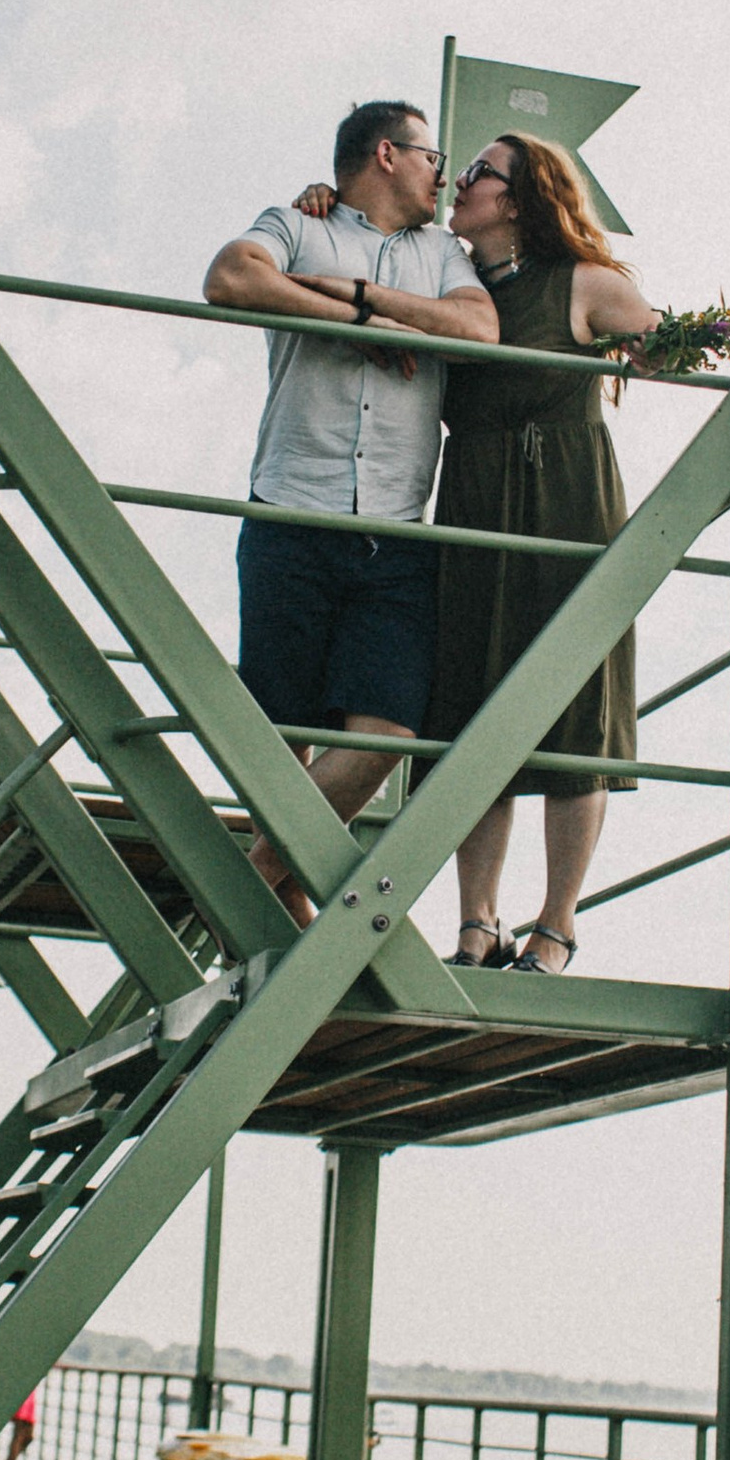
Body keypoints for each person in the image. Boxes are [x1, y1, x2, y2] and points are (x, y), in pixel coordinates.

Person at [204, 100, 496, 916]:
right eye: (435, 157)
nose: (445, 173)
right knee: (279, 740)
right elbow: (231, 278)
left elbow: (479, 327)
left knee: (388, 732)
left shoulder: (442, 252)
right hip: (292, 508)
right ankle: (283, 906)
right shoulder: (297, 225)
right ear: (388, 154)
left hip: (395, 529)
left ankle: (251, 884)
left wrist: (363, 297)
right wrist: (354, 324)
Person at [421, 135, 656, 971]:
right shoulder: (446, 278)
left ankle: (556, 925)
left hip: (567, 496)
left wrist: (681, 346)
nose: (458, 182)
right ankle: (476, 924)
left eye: (478, 172)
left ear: (517, 200)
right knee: (471, 701)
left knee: (575, 707)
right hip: (476, 492)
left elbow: (674, 349)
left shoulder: (589, 284)